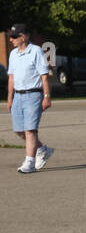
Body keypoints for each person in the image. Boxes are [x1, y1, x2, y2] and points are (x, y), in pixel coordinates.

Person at [6, 23, 54, 173]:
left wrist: (46, 97)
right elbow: (11, 78)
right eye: (10, 37)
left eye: (14, 37)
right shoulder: (13, 54)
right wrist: (10, 97)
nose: (11, 40)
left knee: (30, 130)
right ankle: (42, 149)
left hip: (33, 94)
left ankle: (29, 163)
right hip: (18, 96)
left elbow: (44, 77)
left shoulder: (36, 51)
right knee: (19, 131)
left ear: (24, 37)